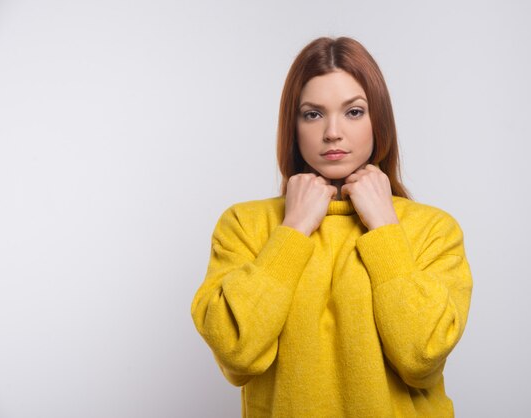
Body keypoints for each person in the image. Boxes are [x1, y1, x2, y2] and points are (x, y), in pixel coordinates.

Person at [191, 36, 472, 417]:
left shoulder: (432, 229)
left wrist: (385, 226)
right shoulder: (245, 225)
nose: (332, 132)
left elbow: (421, 357)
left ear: (379, 121)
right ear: (293, 125)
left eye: (353, 112)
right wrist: (292, 231)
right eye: (313, 114)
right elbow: (236, 352)